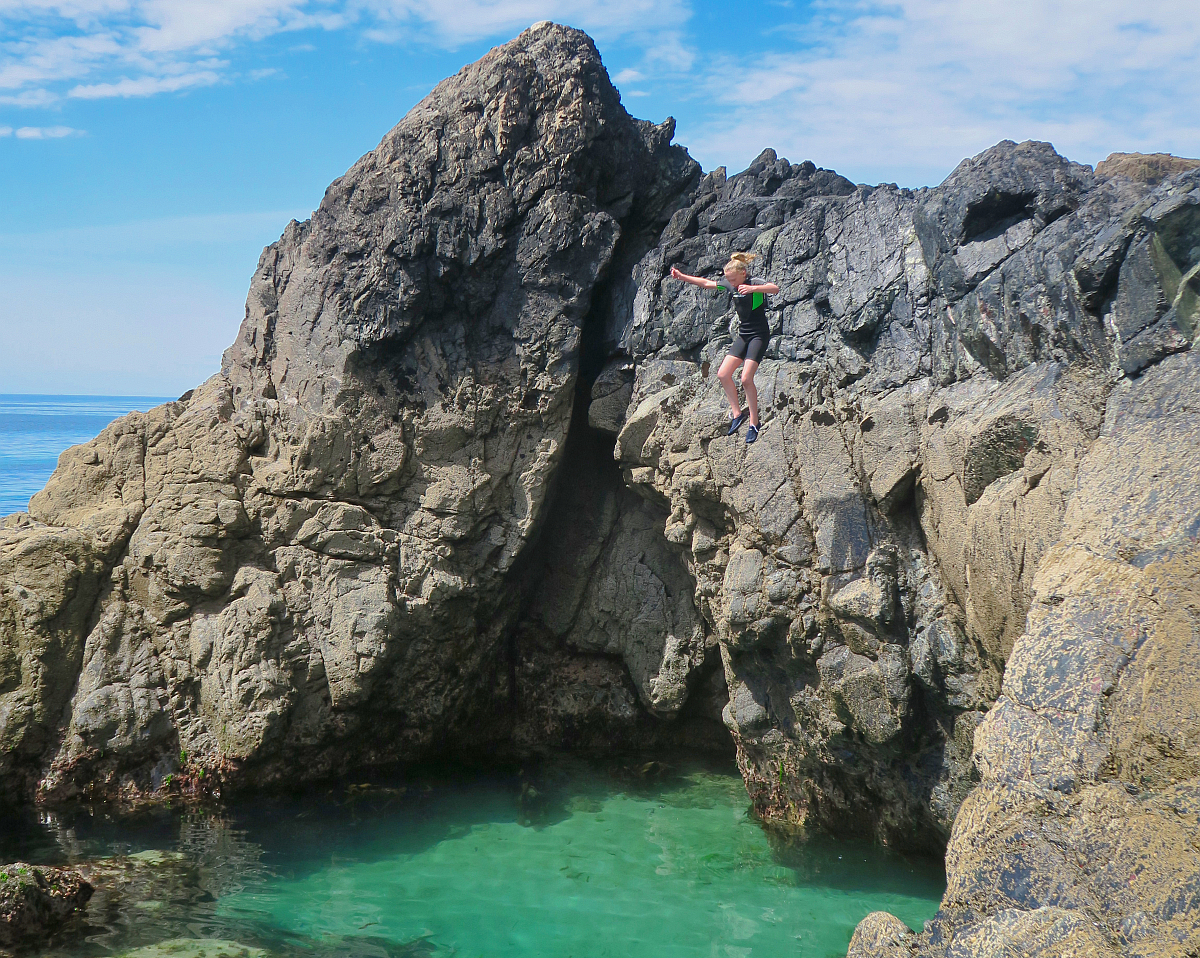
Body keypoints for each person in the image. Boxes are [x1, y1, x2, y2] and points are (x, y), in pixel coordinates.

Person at [669, 252, 779, 443]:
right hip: (744, 335)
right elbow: (705, 283)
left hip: (759, 335)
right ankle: (737, 414)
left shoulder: (754, 282)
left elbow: (775, 289)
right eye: (729, 280)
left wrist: (753, 290)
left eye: (734, 279)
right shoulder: (730, 283)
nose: (732, 283)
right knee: (722, 374)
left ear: (743, 273)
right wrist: (681, 277)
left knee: (746, 378)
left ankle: (754, 423)